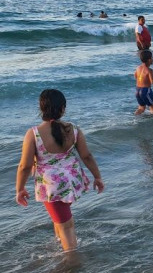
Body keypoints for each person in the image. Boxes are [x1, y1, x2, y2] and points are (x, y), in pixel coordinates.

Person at [15, 89, 104, 251]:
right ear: (63, 108)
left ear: (41, 109)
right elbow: (87, 156)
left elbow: (25, 165)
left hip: (52, 185)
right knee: (61, 219)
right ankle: (59, 245)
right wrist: (97, 177)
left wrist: (19, 188)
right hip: (71, 180)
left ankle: (72, 262)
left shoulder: (33, 134)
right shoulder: (73, 129)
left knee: (66, 225)